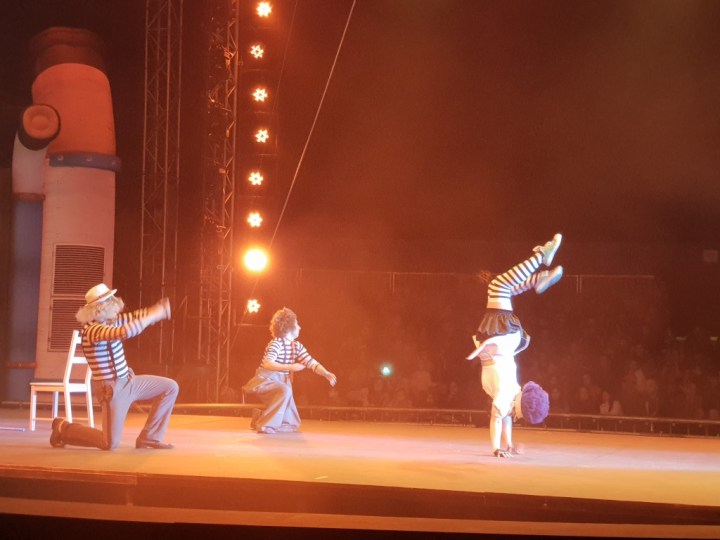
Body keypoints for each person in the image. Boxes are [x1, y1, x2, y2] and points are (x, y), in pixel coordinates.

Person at [49, 283, 179, 450]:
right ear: (100, 309)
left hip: (129, 382)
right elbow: (124, 332)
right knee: (109, 444)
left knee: (170, 387)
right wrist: (154, 315)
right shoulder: (92, 330)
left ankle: (150, 438)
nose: (116, 303)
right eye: (110, 301)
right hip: (112, 389)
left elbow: (134, 317)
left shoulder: (111, 321)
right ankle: (63, 428)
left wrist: (155, 310)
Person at [466, 234, 562, 457]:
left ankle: (539, 275)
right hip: (501, 342)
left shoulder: (510, 395)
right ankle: (540, 259)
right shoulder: (507, 394)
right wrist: (497, 448)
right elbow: (498, 417)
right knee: (498, 285)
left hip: (506, 342)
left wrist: (506, 446)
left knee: (504, 288)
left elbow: (502, 417)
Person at [243, 307, 337, 433]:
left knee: (291, 423)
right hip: (266, 381)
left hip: (282, 382)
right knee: (285, 390)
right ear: (288, 326)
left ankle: (259, 418)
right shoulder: (276, 343)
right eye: (297, 324)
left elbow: (311, 362)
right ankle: (265, 425)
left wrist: (325, 373)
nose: (300, 327)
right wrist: (290, 367)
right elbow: (267, 363)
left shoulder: (297, 346)